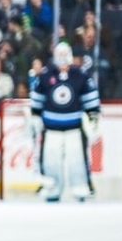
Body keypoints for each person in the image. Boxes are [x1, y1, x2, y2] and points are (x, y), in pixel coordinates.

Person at [31, 41, 100, 202]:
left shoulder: (81, 75)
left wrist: (93, 118)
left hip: (74, 129)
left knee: (77, 160)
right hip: (51, 129)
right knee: (51, 161)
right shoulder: (46, 75)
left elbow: (91, 99)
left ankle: (80, 187)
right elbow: (37, 100)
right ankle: (52, 189)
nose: (62, 58)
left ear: (69, 55)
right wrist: (35, 117)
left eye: (64, 54)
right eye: (59, 54)